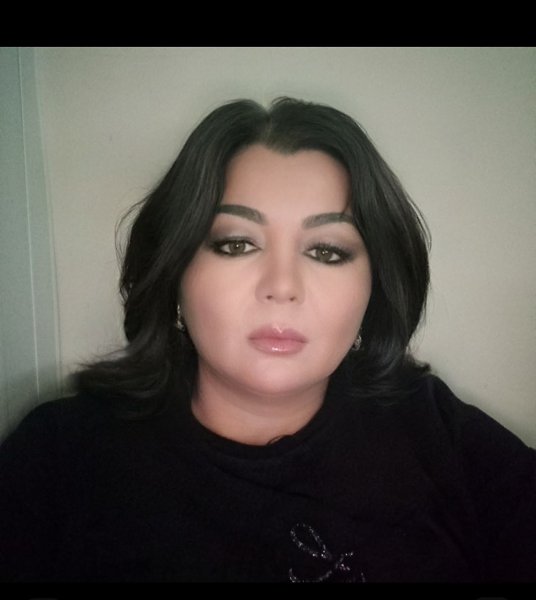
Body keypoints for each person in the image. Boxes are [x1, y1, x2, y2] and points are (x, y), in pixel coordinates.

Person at [0, 97, 535, 585]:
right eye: (236, 244)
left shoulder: (439, 438)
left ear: (374, 287)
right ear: (175, 269)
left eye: (326, 251)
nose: (282, 286)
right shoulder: (58, 458)